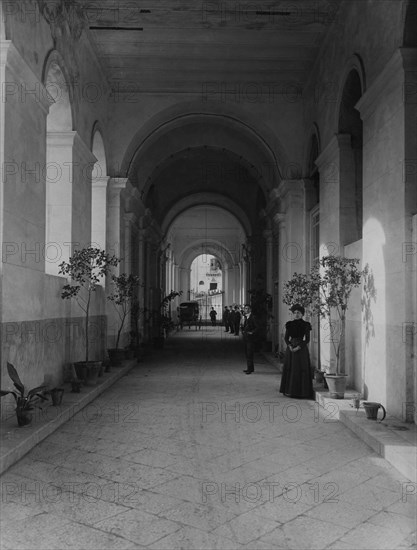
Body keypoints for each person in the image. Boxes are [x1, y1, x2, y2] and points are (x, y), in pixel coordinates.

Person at [279, 304, 313, 398]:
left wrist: (299, 347)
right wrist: (289, 346)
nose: (296, 314)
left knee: (300, 368)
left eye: (299, 313)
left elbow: (307, 339)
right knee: (291, 368)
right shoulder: (289, 324)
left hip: (301, 349)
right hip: (291, 349)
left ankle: (301, 392)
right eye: (295, 313)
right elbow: (286, 338)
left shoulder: (306, 325)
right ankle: (290, 391)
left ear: (302, 314)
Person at [241, 304, 258, 374]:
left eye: (248, 308)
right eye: (245, 308)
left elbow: (257, 327)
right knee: (247, 353)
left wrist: (252, 332)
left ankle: (249, 369)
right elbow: (243, 325)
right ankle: (250, 368)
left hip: (250, 338)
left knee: (249, 353)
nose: (246, 310)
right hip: (246, 338)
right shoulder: (245, 317)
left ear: (250, 309)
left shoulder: (253, 317)